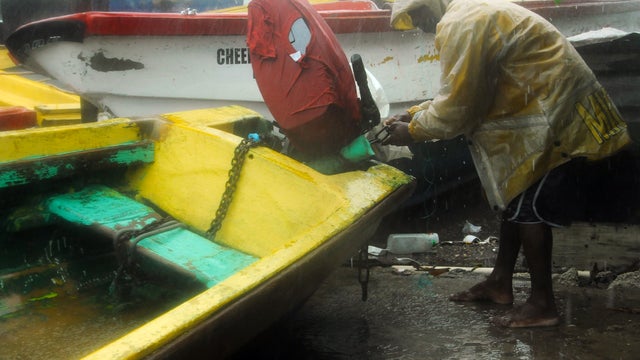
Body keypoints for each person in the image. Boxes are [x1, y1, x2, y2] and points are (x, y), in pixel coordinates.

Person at [384, 0, 631, 327]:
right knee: (515, 201)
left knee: (529, 209)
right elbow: (469, 87)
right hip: (544, 106)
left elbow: (458, 108)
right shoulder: (469, 13)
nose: (416, 24)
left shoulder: (461, 23)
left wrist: (413, 131)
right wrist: (415, 113)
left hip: (553, 116)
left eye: (415, 14)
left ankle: (543, 304)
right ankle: (501, 282)